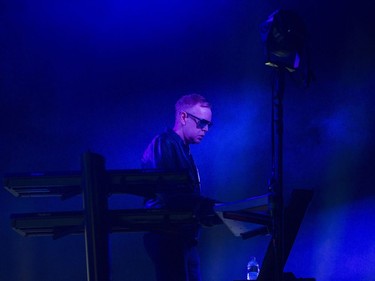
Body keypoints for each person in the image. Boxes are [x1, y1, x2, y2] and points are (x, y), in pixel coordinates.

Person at [141, 93, 219, 281]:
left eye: (209, 124)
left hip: (181, 237)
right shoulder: (165, 143)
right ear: (184, 117)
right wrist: (210, 206)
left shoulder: (180, 148)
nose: (206, 129)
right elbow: (169, 195)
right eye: (202, 123)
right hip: (168, 236)